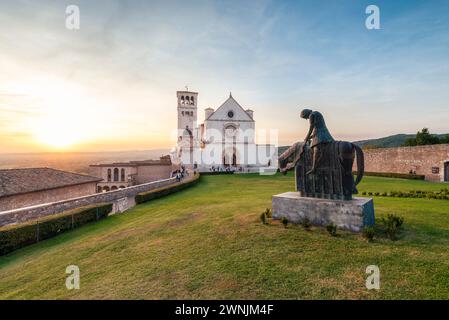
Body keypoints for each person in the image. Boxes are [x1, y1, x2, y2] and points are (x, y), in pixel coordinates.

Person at [299, 108, 334, 175]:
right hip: (322, 133)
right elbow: (317, 128)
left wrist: (306, 138)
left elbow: (311, 128)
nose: (307, 119)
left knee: (316, 149)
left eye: (305, 117)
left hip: (321, 135)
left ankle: (313, 168)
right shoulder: (317, 113)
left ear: (306, 114)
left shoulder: (311, 115)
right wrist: (311, 137)